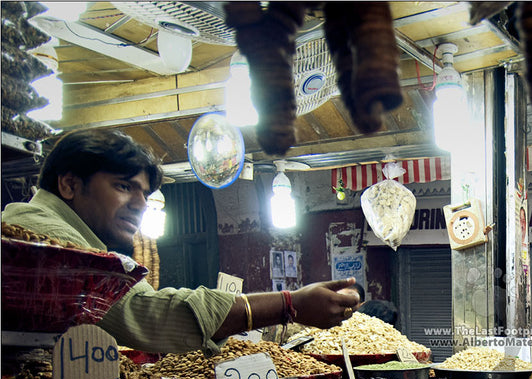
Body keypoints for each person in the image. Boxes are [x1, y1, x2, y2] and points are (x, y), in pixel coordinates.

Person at [1, 129, 359, 353]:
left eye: (145, 192)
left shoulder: (73, 237)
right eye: (124, 186)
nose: (141, 204)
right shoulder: (36, 230)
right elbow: (147, 313)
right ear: (69, 185)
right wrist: (287, 303)